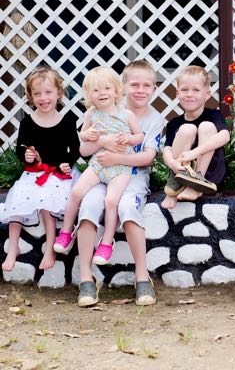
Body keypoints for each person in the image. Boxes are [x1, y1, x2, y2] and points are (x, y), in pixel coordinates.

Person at [74, 60, 165, 307]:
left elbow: (148, 157)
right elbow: (84, 149)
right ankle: (86, 278)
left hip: (133, 175)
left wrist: (118, 158)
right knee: (89, 204)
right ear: (122, 87)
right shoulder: (103, 107)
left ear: (154, 88)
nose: (140, 90)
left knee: (126, 207)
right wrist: (102, 143)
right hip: (102, 171)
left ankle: (142, 276)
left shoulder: (154, 119)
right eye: (134, 84)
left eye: (146, 85)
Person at [53, 67, 144, 267]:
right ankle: (66, 231)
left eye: (107, 88)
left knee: (111, 201)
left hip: (120, 166)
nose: (102, 93)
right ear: (89, 95)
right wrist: (86, 135)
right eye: (96, 90)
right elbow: (82, 137)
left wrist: (129, 138)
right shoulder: (91, 114)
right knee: (76, 192)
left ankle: (107, 242)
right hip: (97, 164)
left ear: (116, 91)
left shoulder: (126, 114)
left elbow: (139, 136)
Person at [1, 67, 79, 271]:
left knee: (47, 200)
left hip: (57, 174)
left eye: (48, 92)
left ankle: (50, 248)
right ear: (30, 96)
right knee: (17, 197)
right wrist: (26, 155)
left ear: (58, 93)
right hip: (34, 173)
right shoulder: (27, 122)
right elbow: (21, 148)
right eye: (37, 94)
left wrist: (67, 162)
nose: (43, 98)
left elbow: (75, 149)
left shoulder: (67, 121)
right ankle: (13, 247)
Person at [160, 66, 230, 209]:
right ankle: (174, 188)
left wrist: (195, 152)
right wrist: (172, 164)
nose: (189, 94)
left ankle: (196, 184)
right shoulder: (174, 123)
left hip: (209, 176)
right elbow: (167, 150)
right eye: (184, 90)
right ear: (177, 93)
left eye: (196, 90)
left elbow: (225, 136)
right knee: (187, 129)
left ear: (207, 94)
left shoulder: (213, 115)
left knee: (207, 126)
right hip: (182, 173)